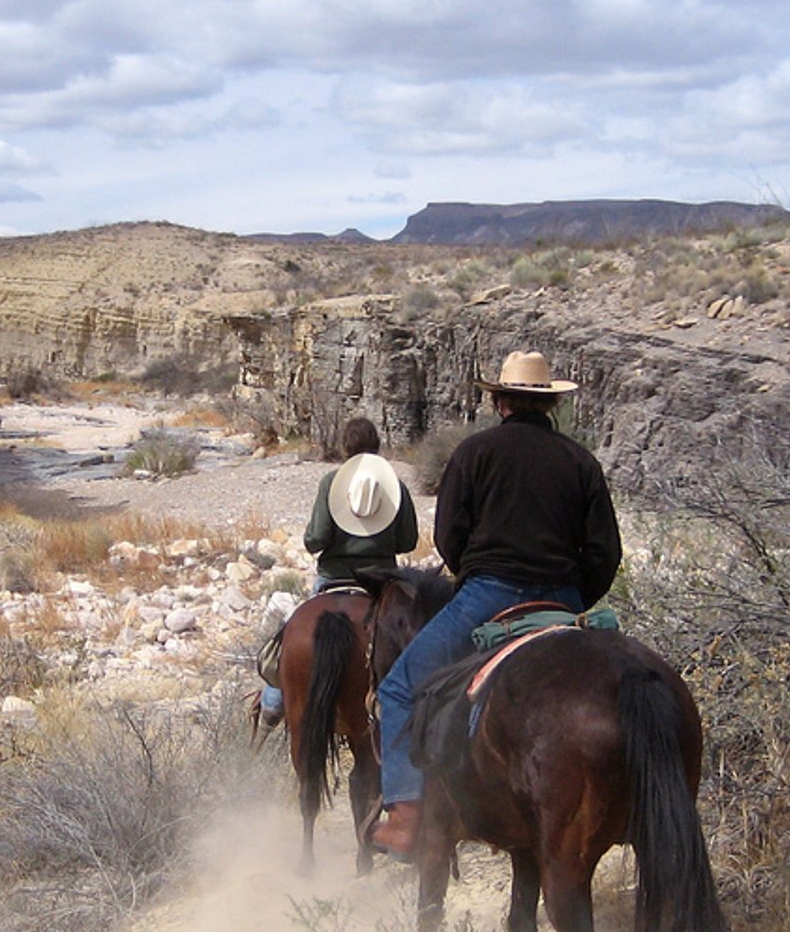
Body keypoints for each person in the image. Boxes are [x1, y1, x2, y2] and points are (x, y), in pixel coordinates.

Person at [367, 351, 621, 860]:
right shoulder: (581, 462)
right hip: (564, 598)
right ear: (547, 405)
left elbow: (449, 537)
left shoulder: (474, 453)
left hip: (489, 595)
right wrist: (571, 600)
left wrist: (476, 576)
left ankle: (405, 817)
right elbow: (605, 552)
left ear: (500, 400)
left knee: (397, 688)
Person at [257, 416, 418, 726]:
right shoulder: (395, 487)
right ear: (377, 446)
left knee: (287, 640)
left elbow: (315, 539)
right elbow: (408, 541)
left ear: (345, 447)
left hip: (333, 578)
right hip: (381, 584)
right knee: (411, 644)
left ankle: (272, 705)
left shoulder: (332, 483)